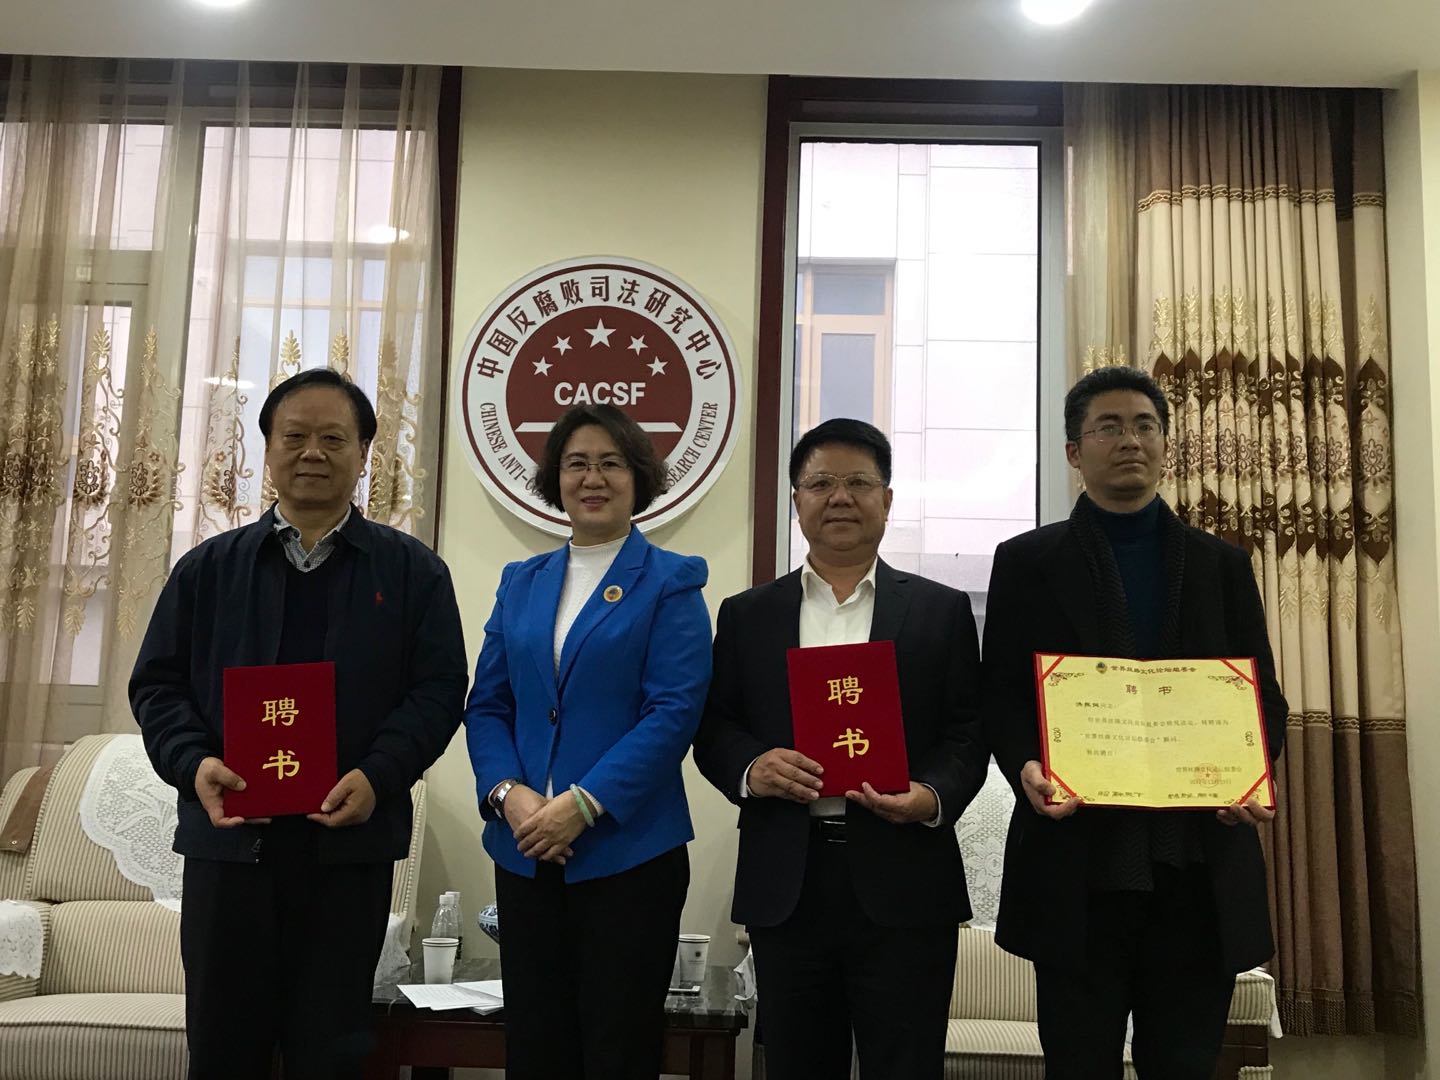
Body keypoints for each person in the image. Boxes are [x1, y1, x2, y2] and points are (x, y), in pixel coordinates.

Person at [131, 367, 467, 1078]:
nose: (312, 452)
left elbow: (438, 692)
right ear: (268, 449)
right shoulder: (207, 570)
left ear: (364, 453)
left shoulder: (413, 574)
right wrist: (194, 764)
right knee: (224, 1050)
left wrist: (379, 776)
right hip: (230, 852)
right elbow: (157, 686)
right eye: (295, 437)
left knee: (332, 1051)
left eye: (333, 439)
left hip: (347, 854)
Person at [982, 366, 1288, 1080]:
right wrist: (1026, 763)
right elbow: (1000, 694)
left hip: (1197, 868)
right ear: (1073, 451)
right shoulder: (1026, 562)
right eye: (1109, 427)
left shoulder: (1223, 565)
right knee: (1077, 1065)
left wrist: (1251, 774)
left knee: (1182, 1065)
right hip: (1075, 868)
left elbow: (1262, 698)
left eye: (1145, 425)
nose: (1130, 441)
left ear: (1165, 445)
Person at [692, 418, 986, 1080]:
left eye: (859, 482)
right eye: (821, 483)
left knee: (906, 1066)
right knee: (796, 1063)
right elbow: (713, 726)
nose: (841, 497)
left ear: (888, 498)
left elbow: (969, 730)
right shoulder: (747, 614)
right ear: (797, 500)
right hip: (788, 880)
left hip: (906, 878)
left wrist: (931, 795)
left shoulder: (940, 610)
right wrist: (752, 767)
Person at [464, 403, 712, 1080]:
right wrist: (507, 795)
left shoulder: (671, 580)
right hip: (525, 854)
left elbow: (673, 711)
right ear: (555, 478)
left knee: (618, 1052)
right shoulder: (521, 581)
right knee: (535, 1050)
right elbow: (488, 704)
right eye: (576, 463)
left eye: (611, 463)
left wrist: (584, 802)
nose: (592, 478)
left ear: (638, 478)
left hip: (628, 857)